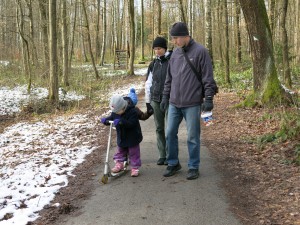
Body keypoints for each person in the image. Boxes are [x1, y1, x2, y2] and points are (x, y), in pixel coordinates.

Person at [160, 22, 218, 180]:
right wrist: (165, 96)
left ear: (185, 35)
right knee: (170, 133)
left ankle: (193, 166)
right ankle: (173, 163)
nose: (174, 41)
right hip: (174, 103)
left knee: (192, 136)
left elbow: (208, 77)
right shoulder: (175, 54)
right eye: (173, 38)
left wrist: (208, 98)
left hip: (192, 103)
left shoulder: (201, 52)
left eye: (176, 38)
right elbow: (169, 79)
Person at [145, 36, 172, 165]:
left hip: (170, 99)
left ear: (165, 48)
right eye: (155, 49)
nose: (157, 51)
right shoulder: (153, 64)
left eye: (159, 48)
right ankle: (162, 155)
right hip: (156, 100)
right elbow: (148, 83)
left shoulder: (172, 61)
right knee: (159, 128)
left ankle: (171, 155)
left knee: (170, 129)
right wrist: (147, 102)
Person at [101, 94, 143, 177]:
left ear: (123, 107)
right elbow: (112, 117)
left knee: (133, 153)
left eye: (117, 112)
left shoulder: (132, 112)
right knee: (120, 152)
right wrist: (106, 120)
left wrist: (121, 122)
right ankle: (119, 164)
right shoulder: (116, 111)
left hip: (132, 137)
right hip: (122, 136)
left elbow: (131, 123)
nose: (116, 113)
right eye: (115, 112)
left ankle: (135, 167)